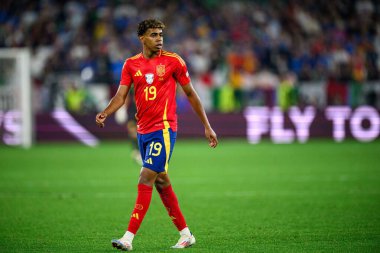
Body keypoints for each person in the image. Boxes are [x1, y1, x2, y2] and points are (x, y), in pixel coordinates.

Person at [95, 19, 218, 251]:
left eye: (161, 34)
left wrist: (207, 125)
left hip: (164, 129)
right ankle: (186, 234)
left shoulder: (173, 62)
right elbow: (121, 96)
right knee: (161, 181)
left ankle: (128, 238)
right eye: (153, 34)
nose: (159, 38)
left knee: (145, 177)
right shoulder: (130, 65)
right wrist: (105, 113)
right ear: (142, 38)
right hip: (143, 131)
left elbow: (191, 94)